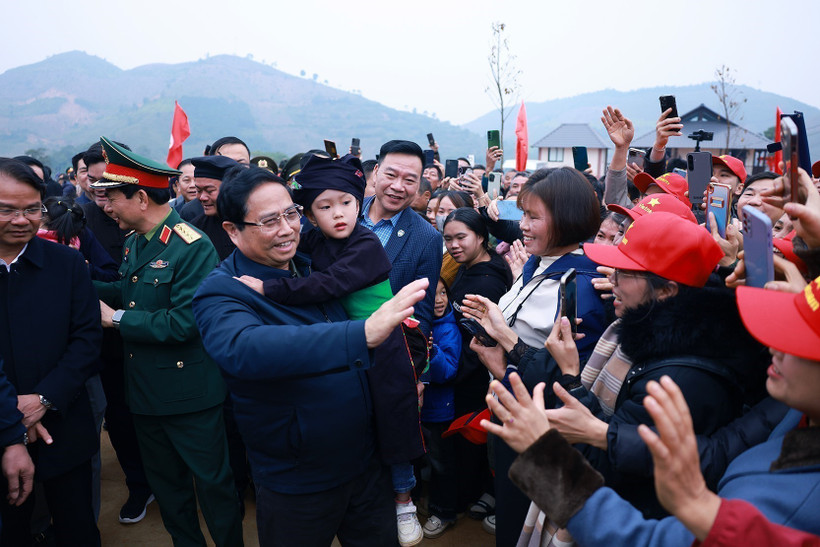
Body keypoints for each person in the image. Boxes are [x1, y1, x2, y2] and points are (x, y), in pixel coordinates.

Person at [482, 270, 820, 547]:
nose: (776, 348)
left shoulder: (682, 377)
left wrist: (546, 454)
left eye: (800, 343)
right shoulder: (794, 410)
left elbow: (643, 539)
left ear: (667, 290)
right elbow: (722, 449)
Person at [191, 165, 428, 545]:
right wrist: (360, 335)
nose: (287, 229)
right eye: (269, 221)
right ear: (233, 231)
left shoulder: (311, 264)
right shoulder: (224, 291)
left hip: (365, 463)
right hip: (299, 479)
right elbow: (244, 349)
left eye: (290, 214)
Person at [90, 137, 243, 546]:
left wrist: (117, 320)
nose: (105, 208)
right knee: (170, 490)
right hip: (145, 392)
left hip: (189, 394)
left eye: (111, 199)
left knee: (213, 487)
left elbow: (186, 322)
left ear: (139, 197)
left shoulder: (191, 246)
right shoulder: (135, 242)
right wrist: (77, 283)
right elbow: (130, 292)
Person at [461, 167, 608, 545]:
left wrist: (505, 345)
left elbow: (569, 381)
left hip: (545, 432)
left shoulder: (581, 288)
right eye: (522, 214)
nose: (522, 226)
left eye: (533, 217)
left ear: (566, 219)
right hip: (513, 413)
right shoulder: (537, 262)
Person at [0, 157, 102, 545]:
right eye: (7, 210)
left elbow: (87, 340)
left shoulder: (67, 263)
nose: (21, 220)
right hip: (1, 430)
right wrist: (11, 419)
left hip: (62, 427)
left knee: (76, 526)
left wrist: (43, 398)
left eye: (31, 209)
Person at [420, 277, 462, 539]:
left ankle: (444, 512)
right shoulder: (423, 324)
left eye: (443, 292)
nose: (438, 300)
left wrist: (430, 350)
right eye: (432, 294)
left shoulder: (448, 330)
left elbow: (447, 372)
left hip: (440, 410)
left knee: (441, 464)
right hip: (422, 409)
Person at [189, 155, 242, 261]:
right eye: (198, 191)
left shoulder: (251, 225)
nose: (202, 197)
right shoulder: (195, 230)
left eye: (209, 190)